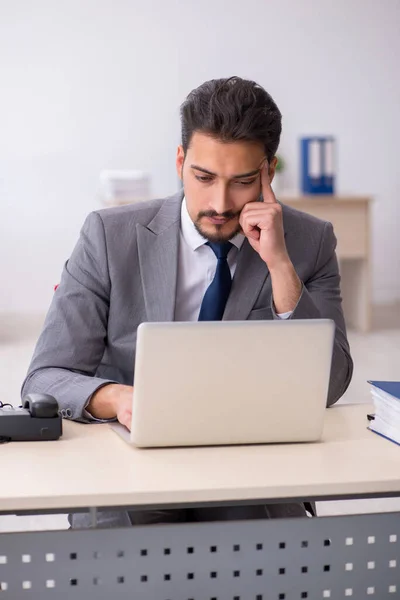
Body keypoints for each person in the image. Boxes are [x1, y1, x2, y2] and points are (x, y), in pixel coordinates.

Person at [22, 76, 353, 527]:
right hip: (133, 466)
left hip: (255, 465)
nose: (220, 203)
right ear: (180, 161)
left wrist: (280, 267)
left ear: (268, 172)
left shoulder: (309, 241)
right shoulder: (108, 235)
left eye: (241, 182)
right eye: (203, 177)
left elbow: (331, 385)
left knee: (278, 557)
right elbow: (46, 376)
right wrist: (120, 398)